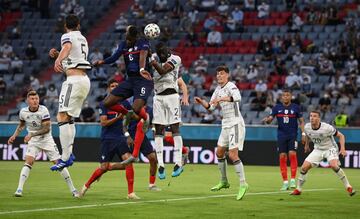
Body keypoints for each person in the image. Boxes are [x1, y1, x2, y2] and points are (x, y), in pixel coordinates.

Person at [93, 25, 153, 164]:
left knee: (137, 108)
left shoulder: (143, 42)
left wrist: (143, 69)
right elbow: (114, 57)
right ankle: (128, 113)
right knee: (106, 103)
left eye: (128, 35)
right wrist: (102, 62)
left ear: (134, 36)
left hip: (143, 80)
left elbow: (143, 55)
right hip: (130, 80)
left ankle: (146, 117)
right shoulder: (123, 45)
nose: (126, 37)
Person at [8, 90, 79, 197]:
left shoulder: (43, 110)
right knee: (29, 161)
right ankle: (19, 189)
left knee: (59, 164)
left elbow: (46, 128)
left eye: (36, 98)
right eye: (32, 99)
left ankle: (73, 190)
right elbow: (21, 125)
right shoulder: (23, 112)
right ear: (28, 101)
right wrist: (14, 136)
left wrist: (31, 135)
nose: (35, 101)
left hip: (46, 139)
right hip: (34, 141)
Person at [194, 65, 248, 201]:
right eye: (217, 74)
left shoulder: (231, 86)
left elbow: (237, 98)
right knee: (219, 152)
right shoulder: (217, 89)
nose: (219, 76)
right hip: (225, 124)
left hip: (235, 123)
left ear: (227, 75)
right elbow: (211, 107)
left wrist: (222, 99)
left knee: (232, 154)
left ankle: (243, 184)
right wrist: (202, 103)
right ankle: (224, 181)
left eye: (222, 74)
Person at [80, 80, 140, 199]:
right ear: (109, 89)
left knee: (128, 162)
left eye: (116, 86)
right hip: (107, 139)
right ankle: (86, 186)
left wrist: (129, 132)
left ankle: (130, 193)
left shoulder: (125, 103)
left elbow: (131, 118)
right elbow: (103, 123)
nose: (114, 88)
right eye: (112, 86)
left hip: (120, 138)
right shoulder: (105, 103)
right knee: (104, 168)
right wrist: (118, 118)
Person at [48, 14, 92, 170]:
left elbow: (67, 48)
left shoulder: (66, 36)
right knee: (69, 117)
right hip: (84, 80)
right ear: (78, 25)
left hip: (73, 81)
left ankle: (65, 157)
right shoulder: (83, 39)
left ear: (65, 25)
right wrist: (59, 55)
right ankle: (69, 153)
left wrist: (57, 59)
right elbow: (72, 55)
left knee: (61, 116)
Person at [291, 111, 356, 196]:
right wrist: (307, 145)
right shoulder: (307, 127)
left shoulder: (327, 128)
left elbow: (341, 136)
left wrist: (343, 149)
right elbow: (308, 135)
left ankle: (348, 186)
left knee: (333, 165)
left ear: (319, 118)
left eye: (314, 116)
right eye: (311, 116)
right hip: (318, 149)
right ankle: (298, 189)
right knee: (304, 167)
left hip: (330, 148)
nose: (312, 118)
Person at [148, 42, 187, 179]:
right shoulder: (153, 58)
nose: (163, 55)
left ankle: (177, 163)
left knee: (175, 128)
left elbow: (163, 70)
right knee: (158, 131)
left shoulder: (175, 59)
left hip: (172, 97)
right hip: (158, 98)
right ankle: (161, 165)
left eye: (165, 52)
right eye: (160, 53)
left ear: (168, 51)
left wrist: (151, 61)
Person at [263, 90, 305, 191]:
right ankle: (285, 182)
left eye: (288, 95)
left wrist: (303, 134)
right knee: (282, 156)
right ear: (281, 97)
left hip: (293, 135)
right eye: (284, 95)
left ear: (291, 97)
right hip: (281, 135)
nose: (286, 97)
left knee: (292, 154)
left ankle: (293, 180)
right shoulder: (277, 107)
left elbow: (302, 122)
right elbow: (270, 119)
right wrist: (267, 120)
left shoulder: (296, 107)